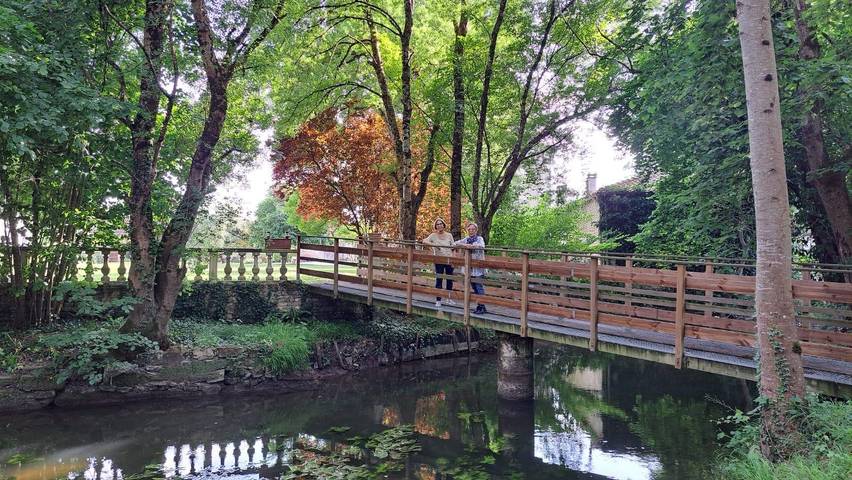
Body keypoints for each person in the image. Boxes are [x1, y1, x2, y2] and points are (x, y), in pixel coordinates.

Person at [455, 223, 487, 314]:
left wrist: (471, 246)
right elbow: (455, 243)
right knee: (474, 287)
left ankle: (481, 306)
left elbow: (481, 246)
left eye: (473, 229)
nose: (471, 231)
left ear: (476, 230)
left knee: (479, 287)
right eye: (469, 229)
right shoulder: (466, 239)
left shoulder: (479, 239)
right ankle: (481, 307)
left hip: (477, 267)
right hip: (469, 268)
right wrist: (466, 246)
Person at [423, 218, 455, 307]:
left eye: (441, 224)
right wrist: (434, 245)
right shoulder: (433, 235)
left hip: (449, 259)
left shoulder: (449, 235)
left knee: (449, 279)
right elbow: (424, 241)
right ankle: (438, 300)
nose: (439, 225)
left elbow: (453, 246)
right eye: (437, 224)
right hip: (439, 260)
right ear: (435, 226)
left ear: (444, 225)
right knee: (439, 279)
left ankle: (448, 299)